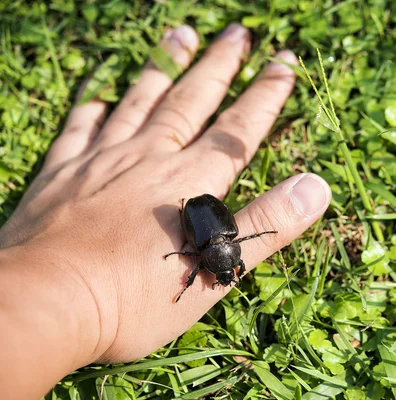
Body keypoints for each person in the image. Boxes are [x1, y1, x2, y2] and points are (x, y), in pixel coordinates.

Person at [0, 23, 331, 399]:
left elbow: (212, 258)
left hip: (200, 219)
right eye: (231, 271)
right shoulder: (210, 250)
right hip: (198, 217)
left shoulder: (213, 250)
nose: (225, 275)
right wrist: (86, 296)